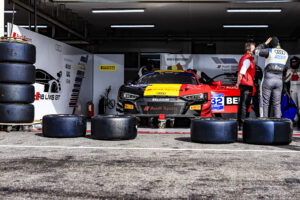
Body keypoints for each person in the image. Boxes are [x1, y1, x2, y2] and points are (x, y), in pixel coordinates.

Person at [254, 36, 289, 118]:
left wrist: (265, 44)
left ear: (271, 44)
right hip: (279, 80)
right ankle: (278, 124)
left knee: (264, 102)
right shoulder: (286, 53)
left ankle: (264, 122)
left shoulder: (270, 51)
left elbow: (255, 51)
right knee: (277, 103)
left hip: (268, 79)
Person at [236, 42, 256, 128]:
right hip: (246, 84)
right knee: (245, 104)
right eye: (253, 48)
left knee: (242, 104)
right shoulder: (247, 59)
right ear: (249, 50)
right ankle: (243, 123)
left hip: (245, 84)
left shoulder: (246, 58)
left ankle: (240, 122)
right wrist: (238, 83)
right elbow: (241, 73)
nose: (255, 50)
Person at [285, 56, 300, 122]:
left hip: (299, 88)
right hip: (292, 89)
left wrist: (298, 74)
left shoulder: (299, 71)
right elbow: (285, 80)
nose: (294, 64)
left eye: (295, 62)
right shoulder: (289, 71)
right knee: (294, 104)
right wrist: (291, 73)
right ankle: (295, 119)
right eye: (293, 62)